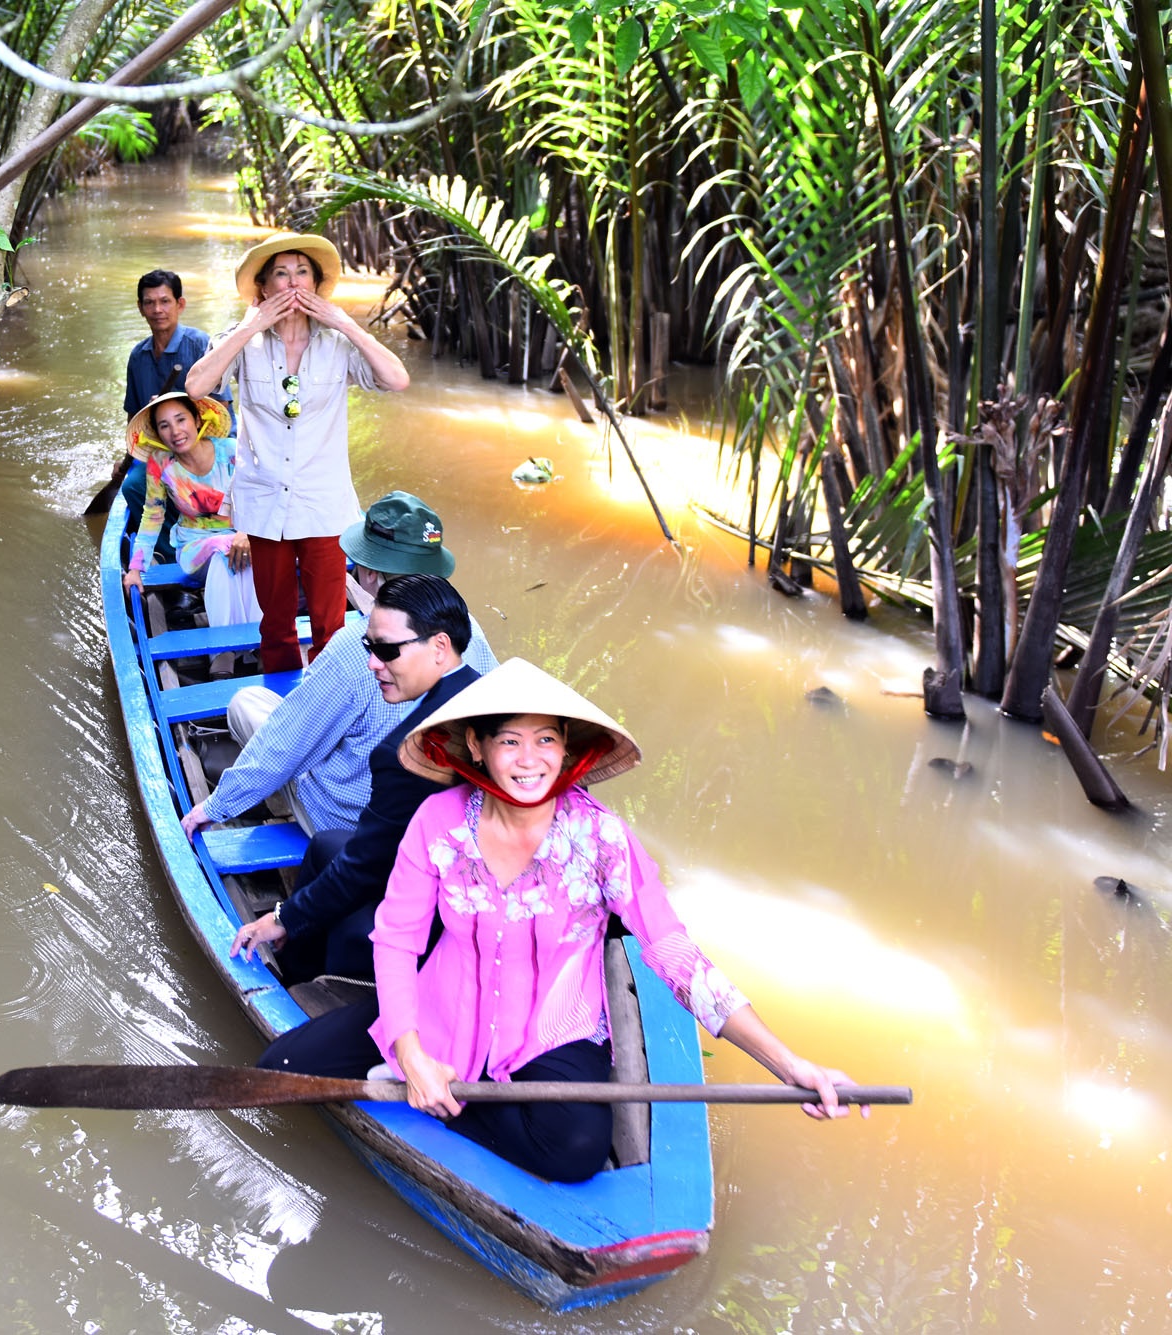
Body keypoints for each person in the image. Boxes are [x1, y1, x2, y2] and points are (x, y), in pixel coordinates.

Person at [254, 659, 860, 1184]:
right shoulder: (436, 822)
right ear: (476, 748)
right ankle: (422, 1084)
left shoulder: (600, 838)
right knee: (275, 1071)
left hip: (549, 1030)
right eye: (509, 741)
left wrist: (790, 1064)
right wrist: (410, 1053)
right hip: (438, 1016)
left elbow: (676, 955)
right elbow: (396, 941)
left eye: (546, 740)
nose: (529, 759)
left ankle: (443, 1103)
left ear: (567, 748)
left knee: (573, 1152)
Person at [180, 492, 495, 839]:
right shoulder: (470, 629)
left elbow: (286, 743)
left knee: (247, 704)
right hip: (436, 821)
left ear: (371, 572)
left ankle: (280, 804)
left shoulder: (358, 646)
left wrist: (215, 807)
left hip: (346, 820)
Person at [228, 574, 479, 983]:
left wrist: (281, 917)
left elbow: (365, 868)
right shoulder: (481, 691)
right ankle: (300, 968)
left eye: (386, 650)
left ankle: (307, 984)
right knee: (328, 844)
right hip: (452, 873)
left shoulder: (406, 752)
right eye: (370, 647)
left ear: (439, 647)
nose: (372, 663)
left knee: (343, 909)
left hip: (449, 921)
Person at [186, 233, 410, 673]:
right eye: (281, 275)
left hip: (323, 504)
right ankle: (285, 712)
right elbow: (196, 387)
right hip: (264, 502)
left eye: (302, 273)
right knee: (276, 624)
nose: (292, 285)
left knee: (330, 624)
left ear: (315, 285)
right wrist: (250, 325)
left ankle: (328, 708)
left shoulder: (337, 344)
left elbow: (397, 379)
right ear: (263, 289)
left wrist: (345, 322)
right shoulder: (243, 343)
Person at [118, 271, 232, 561]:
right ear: (140, 307)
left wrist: (188, 440)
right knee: (132, 485)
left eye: (165, 301)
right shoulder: (138, 356)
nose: (158, 310)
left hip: (205, 442)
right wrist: (127, 458)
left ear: (180, 304)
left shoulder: (198, 343)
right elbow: (135, 415)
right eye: (150, 303)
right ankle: (171, 552)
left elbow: (223, 406)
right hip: (165, 449)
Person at [121, 393, 259, 628]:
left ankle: (253, 639)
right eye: (165, 426)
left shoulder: (231, 450)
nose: (175, 431)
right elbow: (153, 516)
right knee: (222, 552)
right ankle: (225, 650)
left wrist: (247, 533)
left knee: (241, 554)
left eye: (181, 420)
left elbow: (259, 498)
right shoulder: (161, 463)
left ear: (197, 420)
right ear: (158, 433)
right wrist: (135, 568)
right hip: (194, 547)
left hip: (242, 538)